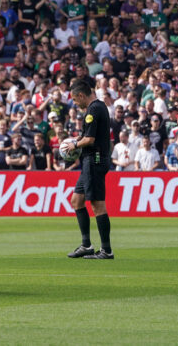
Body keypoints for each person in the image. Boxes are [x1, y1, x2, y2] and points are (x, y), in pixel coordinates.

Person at [63, 78, 114, 259]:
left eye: (76, 100)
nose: (76, 104)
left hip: (95, 160)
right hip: (90, 161)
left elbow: (89, 139)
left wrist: (74, 144)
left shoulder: (93, 109)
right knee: (76, 200)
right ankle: (86, 245)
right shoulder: (99, 107)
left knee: (97, 204)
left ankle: (106, 250)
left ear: (82, 96)